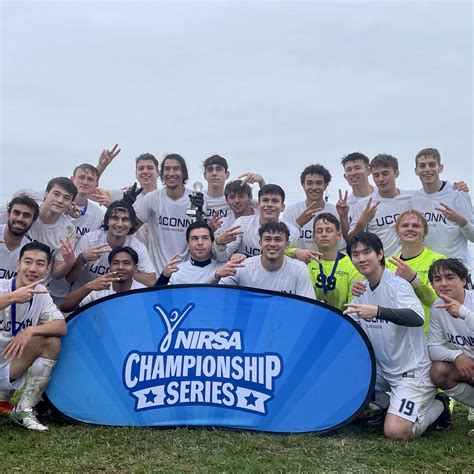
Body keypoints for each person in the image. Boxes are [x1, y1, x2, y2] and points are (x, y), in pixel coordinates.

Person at [344, 232, 445, 440]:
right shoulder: (361, 289)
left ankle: (439, 406)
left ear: (380, 254)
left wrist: (378, 311)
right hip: (381, 371)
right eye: (355, 254)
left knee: (396, 431)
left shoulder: (397, 284)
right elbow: (352, 331)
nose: (361, 258)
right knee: (339, 380)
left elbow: (417, 317)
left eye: (367, 252)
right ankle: (389, 405)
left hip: (411, 373)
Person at [0, 242, 67, 431]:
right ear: (18, 264)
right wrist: (12, 298)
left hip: (9, 365)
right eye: (28, 262)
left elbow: (61, 326)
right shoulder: (3, 286)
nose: (32, 268)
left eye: (39, 264)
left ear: (47, 269)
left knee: (52, 342)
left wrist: (30, 330)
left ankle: (23, 409)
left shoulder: (42, 295)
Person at [427, 258, 474, 436]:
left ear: (463, 280)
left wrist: (463, 312)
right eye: (437, 279)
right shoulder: (437, 307)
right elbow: (433, 347)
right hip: (469, 366)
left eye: (450, 277)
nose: (444, 283)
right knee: (438, 371)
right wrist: (457, 356)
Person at [411, 147, 474, 273]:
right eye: (422, 166)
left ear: (440, 168)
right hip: (429, 270)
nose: (427, 169)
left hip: (457, 269)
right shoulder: (415, 198)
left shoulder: (458, 193)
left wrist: (461, 221)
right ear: (416, 170)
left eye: (432, 165)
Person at [68, 200, 156, 289]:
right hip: (85, 297)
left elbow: (151, 281)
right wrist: (82, 259)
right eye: (115, 218)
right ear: (107, 221)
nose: (120, 224)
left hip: (113, 299)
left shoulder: (137, 247)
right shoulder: (90, 240)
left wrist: (128, 271)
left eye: (125, 220)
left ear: (131, 224)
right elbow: (70, 278)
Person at [219, 222, 315, 298]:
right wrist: (216, 275)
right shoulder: (242, 266)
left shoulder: (299, 269)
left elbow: (307, 308)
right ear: (260, 243)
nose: (272, 244)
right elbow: (217, 293)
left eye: (278, 239)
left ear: (287, 244)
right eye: (268, 239)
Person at [385, 210, 445, 333]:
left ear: (425, 232)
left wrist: (414, 280)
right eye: (405, 225)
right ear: (397, 231)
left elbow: (438, 302)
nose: (410, 229)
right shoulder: (388, 263)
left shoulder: (438, 260)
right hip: (397, 335)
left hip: (428, 334)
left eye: (416, 226)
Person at [134, 153, 194, 274]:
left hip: (187, 274)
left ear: (184, 173)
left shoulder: (196, 199)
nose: (171, 173)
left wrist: (201, 217)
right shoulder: (152, 198)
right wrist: (126, 208)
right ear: (161, 173)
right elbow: (130, 230)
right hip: (158, 274)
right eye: (167, 169)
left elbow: (204, 237)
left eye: (176, 169)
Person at [26, 177, 78, 305]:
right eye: (56, 194)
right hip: (8, 283)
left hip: (38, 291)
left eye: (66, 198)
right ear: (46, 193)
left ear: (71, 203)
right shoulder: (26, 212)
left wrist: (69, 263)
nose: (60, 201)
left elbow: (56, 273)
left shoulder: (68, 229)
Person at [348, 154, 413, 258]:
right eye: (376, 175)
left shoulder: (412, 198)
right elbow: (351, 240)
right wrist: (362, 222)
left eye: (385, 173)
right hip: (381, 266)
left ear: (396, 173)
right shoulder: (364, 204)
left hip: (410, 262)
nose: (381, 179)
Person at [214, 184, 299, 259]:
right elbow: (223, 257)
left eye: (275, 201)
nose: (269, 204)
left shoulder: (292, 232)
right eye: (265, 200)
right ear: (258, 205)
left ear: (282, 207)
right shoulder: (242, 224)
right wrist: (219, 243)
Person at [60, 246, 146, 312]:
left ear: (135, 268)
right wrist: (89, 286)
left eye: (126, 263)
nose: (120, 267)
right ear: (110, 267)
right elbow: (64, 307)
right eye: (116, 263)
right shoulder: (98, 288)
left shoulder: (143, 293)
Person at [156, 222, 243, 285]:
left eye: (205, 238)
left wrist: (243, 257)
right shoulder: (177, 272)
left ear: (212, 243)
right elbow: (157, 300)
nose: (200, 243)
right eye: (194, 238)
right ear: (188, 245)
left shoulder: (225, 268)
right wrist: (164, 276)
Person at [308, 213, 363, 311]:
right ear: (313, 237)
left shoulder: (352, 266)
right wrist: (295, 251)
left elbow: (353, 307)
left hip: (342, 322)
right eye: (319, 231)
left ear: (339, 235)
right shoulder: (306, 264)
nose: (324, 234)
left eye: (329, 230)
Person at [283, 164, 340, 250]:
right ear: (303, 185)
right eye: (309, 183)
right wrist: (298, 224)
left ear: (326, 185)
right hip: (298, 261)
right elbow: (284, 245)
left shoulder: (336, 212)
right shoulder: (291, 212)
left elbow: (341, 245)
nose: (314, 187)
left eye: (319, 183)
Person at [0, 195, 39, 280]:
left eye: (26, 215)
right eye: (16, 213)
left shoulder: (31, 251)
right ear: (8, 215)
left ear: (33, 222)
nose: (20, 218)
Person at [337, 152, 373, 240]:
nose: (353, 173)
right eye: (349, 170)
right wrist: (343, 217)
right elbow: (347, 239)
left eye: (357, 168)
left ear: (368, 171)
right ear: (345, 176)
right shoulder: (343, 206)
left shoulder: (382, 196)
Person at [69, 164, 105, 241]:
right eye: (81, 177)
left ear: (96, 185)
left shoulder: (99, 215)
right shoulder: (58, 204)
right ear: (72, 180)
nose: (85, 182)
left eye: (90, 179)